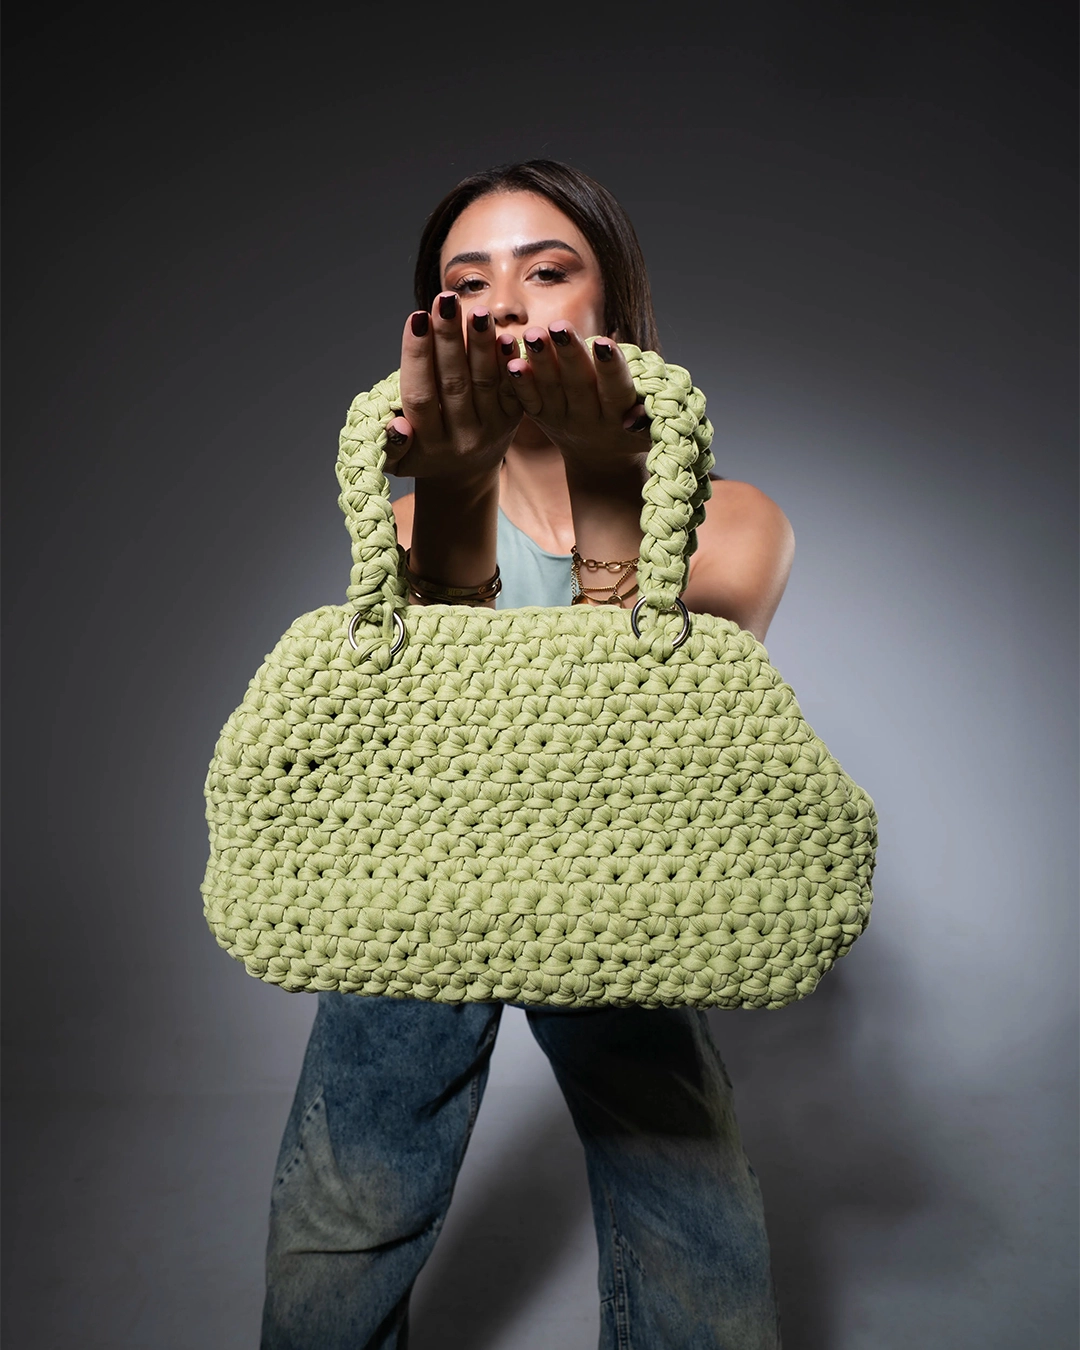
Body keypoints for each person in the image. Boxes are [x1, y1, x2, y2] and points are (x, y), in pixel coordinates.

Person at [261, 159, 795, 1350]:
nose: (505, 301)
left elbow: (642, 743)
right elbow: (424, 741)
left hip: (623, 889)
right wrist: (451, 500)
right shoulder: (409, 518)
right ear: (435, 328)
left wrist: (614, 501)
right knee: (349, 1209)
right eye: (467, 282)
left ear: (611, 303)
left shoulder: (738, 520)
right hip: (414, 883)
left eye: (547, 269)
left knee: (693, 1220)